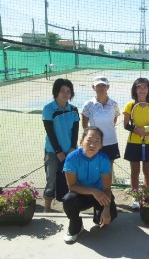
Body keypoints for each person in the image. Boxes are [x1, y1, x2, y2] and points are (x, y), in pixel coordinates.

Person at [62, 126, 117, 244]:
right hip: (81, 194)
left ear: (101, 145)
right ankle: (75, 228)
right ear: (81, 142)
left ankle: (99, 216)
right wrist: (93, 191)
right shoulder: (72, 158)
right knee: (68, 200)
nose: (92, 144)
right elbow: (71, 186)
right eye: (89, 140)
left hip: (101, 195)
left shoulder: (104, 159)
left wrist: (106, 209)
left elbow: (107, 188)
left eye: (97, 141)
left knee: (108, 217)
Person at [123, 78, 149, 210]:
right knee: (135, 172)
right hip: (133, 142)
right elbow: (125, 125)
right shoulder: (130, 105)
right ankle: (135, 197)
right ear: (135, 89)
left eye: (145, 87)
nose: (142, 90)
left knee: (147, 172)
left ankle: (147, 195)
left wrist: (146, 130)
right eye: (139, 87)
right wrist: (135, 130)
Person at [42, 78, 80, 212]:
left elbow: (75, 132)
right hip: (53, 152)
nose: (65, 94)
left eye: (68, 91)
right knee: (51, 181)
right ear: (56, 92)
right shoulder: (48, 109)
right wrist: (58, 152)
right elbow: (50, 132)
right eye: (62, 91)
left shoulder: (74, 110)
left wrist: (72, 149)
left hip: (70, 152)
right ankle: (47, 209)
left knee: (71, 182)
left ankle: (69, 210)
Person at [81, 76, 121, 172]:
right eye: (98, 86)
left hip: (111, 141)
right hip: (94, 143)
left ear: (108, 87)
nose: (101, 88)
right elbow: (85, 126)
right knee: (94, 169)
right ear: (93, 87)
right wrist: (92, 138)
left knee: (108, 169)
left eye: (103, 85)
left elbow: (114, 121)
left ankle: (107, 187)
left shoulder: (114, 104)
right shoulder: (88, 104)